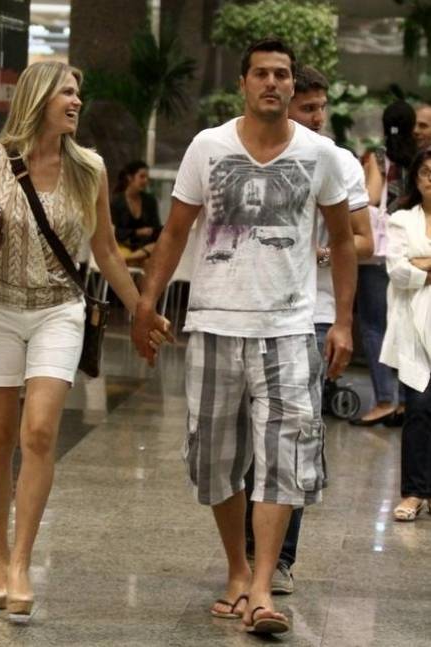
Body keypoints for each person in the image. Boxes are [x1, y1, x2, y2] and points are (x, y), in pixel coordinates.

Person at [132, 38, 357, 635]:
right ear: (243, 83)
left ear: (292, 84)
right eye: (261, 73)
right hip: (214, 324)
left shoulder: (321, 154)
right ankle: (236, 569)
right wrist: (146, 304)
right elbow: (175, 232)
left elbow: (343, 241)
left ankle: (261, 587)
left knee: (284, 458)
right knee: (215, 459)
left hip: (288, 329)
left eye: (282, 74)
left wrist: (341, 322)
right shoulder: (208, 147)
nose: (272, 83)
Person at [0, 62, 169, 623]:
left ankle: (22, 563)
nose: (76, 102)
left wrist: (141, 309)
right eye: (67, 92)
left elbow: (106, 250)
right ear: (39, 97)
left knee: (39, 432)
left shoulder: (89, 168)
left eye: (77, 93)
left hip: (59, 311)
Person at [245, 64, 374, 595]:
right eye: (309, 108)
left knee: (294, 438)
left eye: (322, 108)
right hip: (249, 313)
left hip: (312, 315)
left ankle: (278, 558)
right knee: (248, 439)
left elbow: (362, 240)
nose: (318, 117)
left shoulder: (337, 161)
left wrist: (319, 254)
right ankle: (246, 555)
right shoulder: (246, 151)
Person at [351, 101, 417, 426]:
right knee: (404, 324)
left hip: (378, 253)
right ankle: (405, 401)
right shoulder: (420, 159)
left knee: (374, 325)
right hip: (410, 250)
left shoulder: (379, 157)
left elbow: (370, 196)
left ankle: (384, 400)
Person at [380, 147, 431, 521]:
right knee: (419, 408)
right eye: (427, 172)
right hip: (414, 326)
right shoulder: (401, 220)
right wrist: (415, 268)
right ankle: (414, 492)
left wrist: (421, 263)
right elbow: (397, 270)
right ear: (416, 177)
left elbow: (411, 265)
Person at [111, 160, 162, 267]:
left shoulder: (150, 201)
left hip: (145, 248)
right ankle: (132, 260)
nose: (145, 181)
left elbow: (156, 229)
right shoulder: (116, 202)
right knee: (146, 263)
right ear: (130, 178)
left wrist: (153, 231)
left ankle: (128, 260)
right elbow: (114, 232)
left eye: (147, 177)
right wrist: (137, 232)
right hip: (122, 245)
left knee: (158, 247)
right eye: (142, 176)